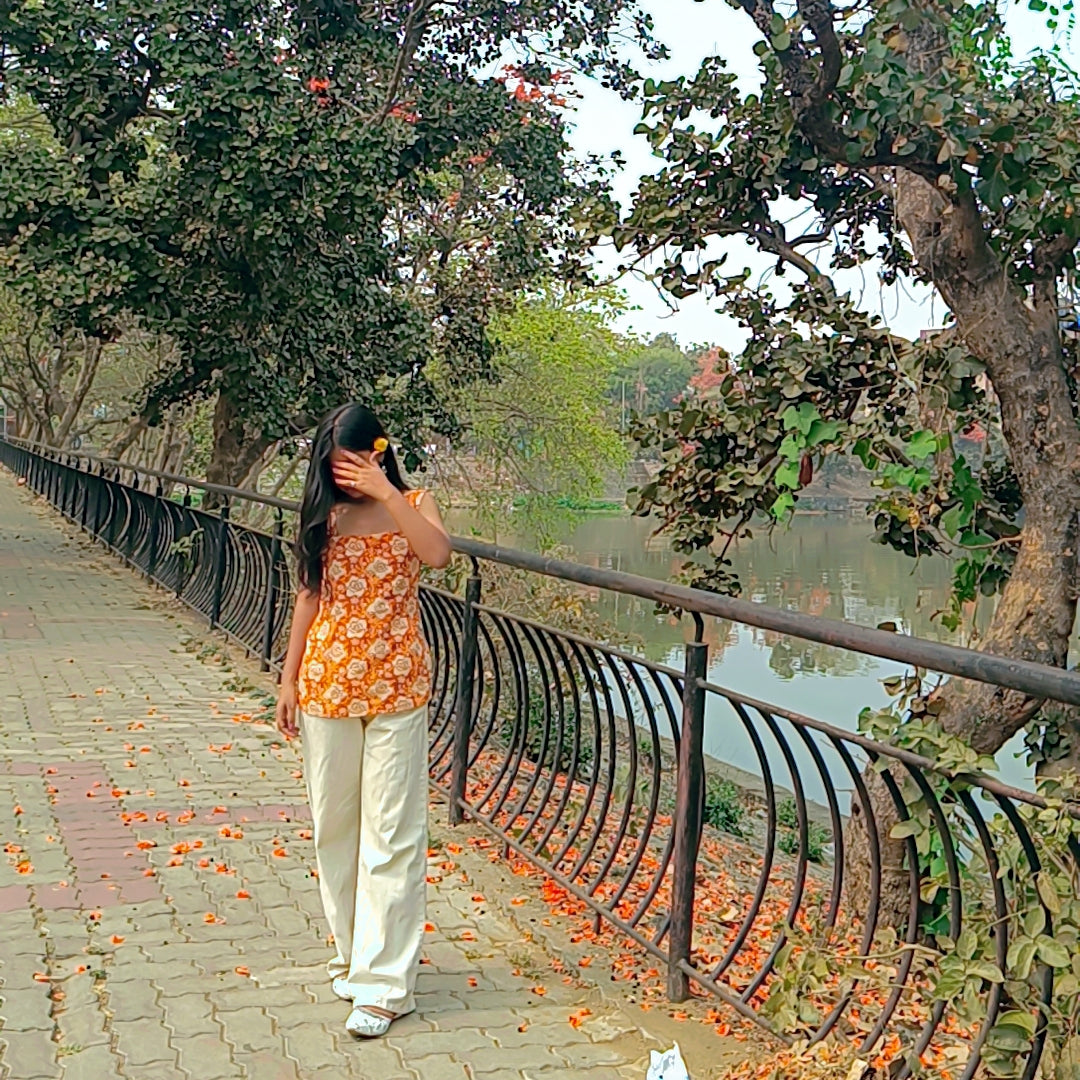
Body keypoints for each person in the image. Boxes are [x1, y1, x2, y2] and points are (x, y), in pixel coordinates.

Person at [276, 403, 451, 1039]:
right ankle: (353, 954)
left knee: (393, 834)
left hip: (398, 684)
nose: (341, 477)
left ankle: (385, 985)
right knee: (336, 829)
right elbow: (309, 593)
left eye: (350, 464)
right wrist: (289, 678)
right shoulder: (325, 514)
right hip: (327, 684)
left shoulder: (416, 501)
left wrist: (387, 492)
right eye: (332, 468)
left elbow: (436, 556)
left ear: (376, 451)